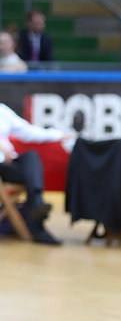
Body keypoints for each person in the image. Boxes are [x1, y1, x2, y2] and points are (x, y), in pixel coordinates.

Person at [0, 103, 68, 244]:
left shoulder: (2, 111)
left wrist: (57, 135)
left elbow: (27, 131)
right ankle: (37, 226)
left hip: (8, 165)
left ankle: (36, 203)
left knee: (31, 156)